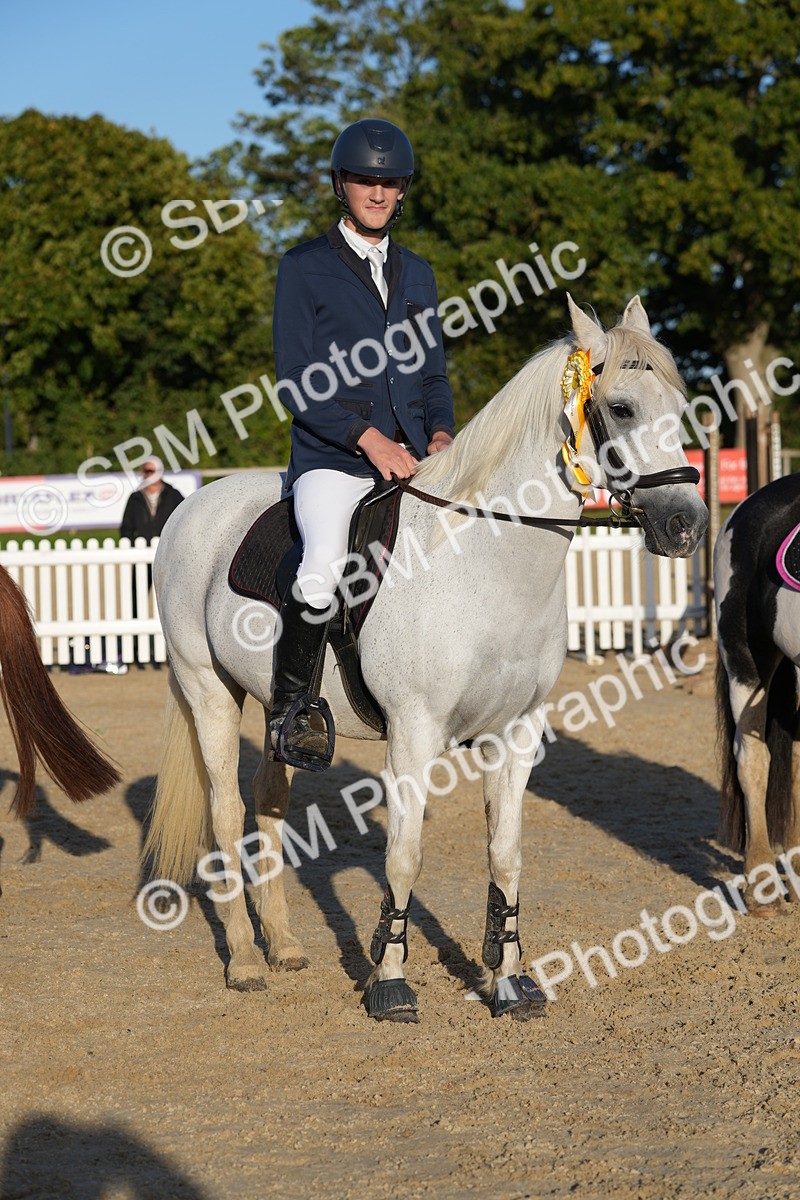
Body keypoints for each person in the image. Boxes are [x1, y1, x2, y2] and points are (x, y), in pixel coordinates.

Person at [270, 117, 455, 769]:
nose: (378, 192)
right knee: (321, 565)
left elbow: (432, 373)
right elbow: (294, 380)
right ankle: (292, 713)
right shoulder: (304, 268)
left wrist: (440, 433)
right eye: (364, 180)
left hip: (412, 455)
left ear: (403, 189)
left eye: (390, 181)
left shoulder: (420, 274)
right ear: (340, 185)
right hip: (334, 460)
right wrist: (367, 438)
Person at [120, 457, 184, 544]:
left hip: (168, 547)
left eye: (156, 471)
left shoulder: (173, 495)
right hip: (142, 548)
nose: (152, 474)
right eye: (148, 471)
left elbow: (184, 521)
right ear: (142, 472)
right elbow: (127, 527)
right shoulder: (135, 498)